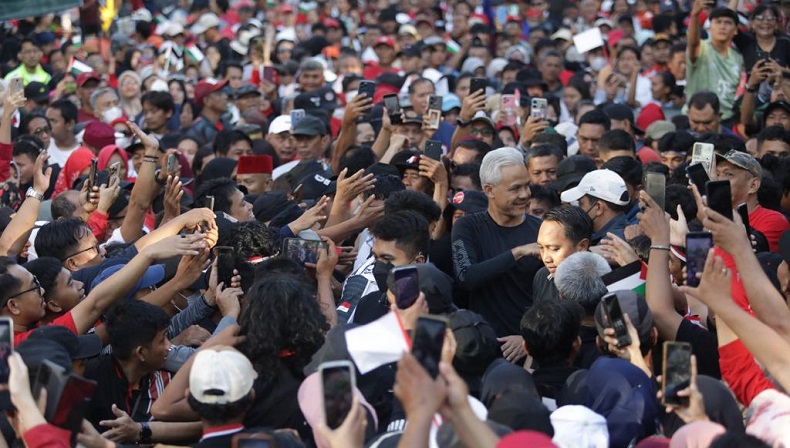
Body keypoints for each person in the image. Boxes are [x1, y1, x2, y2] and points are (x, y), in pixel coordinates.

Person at [452, 147, 542, 357]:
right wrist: (517, 253)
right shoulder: (467, 226)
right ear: (489, 190)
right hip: (480, 348)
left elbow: (554, 296)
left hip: (529, 348)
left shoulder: (542, 229)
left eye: (527, 186)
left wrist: (528, 339)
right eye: (515, 188)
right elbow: (465, 277)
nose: (525, 195)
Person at [715, 150, 790, 252]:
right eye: (717, 174)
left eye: (729, 174)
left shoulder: (773, 221)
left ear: (753, 185)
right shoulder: (711, 217)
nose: (719, 180)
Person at [686, 2, 742, 124]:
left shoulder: (738, 57)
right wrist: (695, 15)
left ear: (736, 30)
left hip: (726, 119)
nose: (722, 26)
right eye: (718, 22)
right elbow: (693, 42)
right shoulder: (702, 48)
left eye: (728, 23)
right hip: (697, 119)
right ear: (710, 27)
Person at [533, 205, 594, 303]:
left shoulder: (602, 283)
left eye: (554, 249)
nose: (546, 258)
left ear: (582, 246)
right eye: (541, 248)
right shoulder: (542, 276)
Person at [560, 169, 631, 244]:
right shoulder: (624, 232)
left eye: (581, 204)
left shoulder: (608, 245)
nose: (578, 209)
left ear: (598, 207)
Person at [45, 99, 81, 168]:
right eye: (46, 120)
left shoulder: (84, 147)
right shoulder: (44, 147)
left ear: (70, 124)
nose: (47, 125)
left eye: (53, 121)